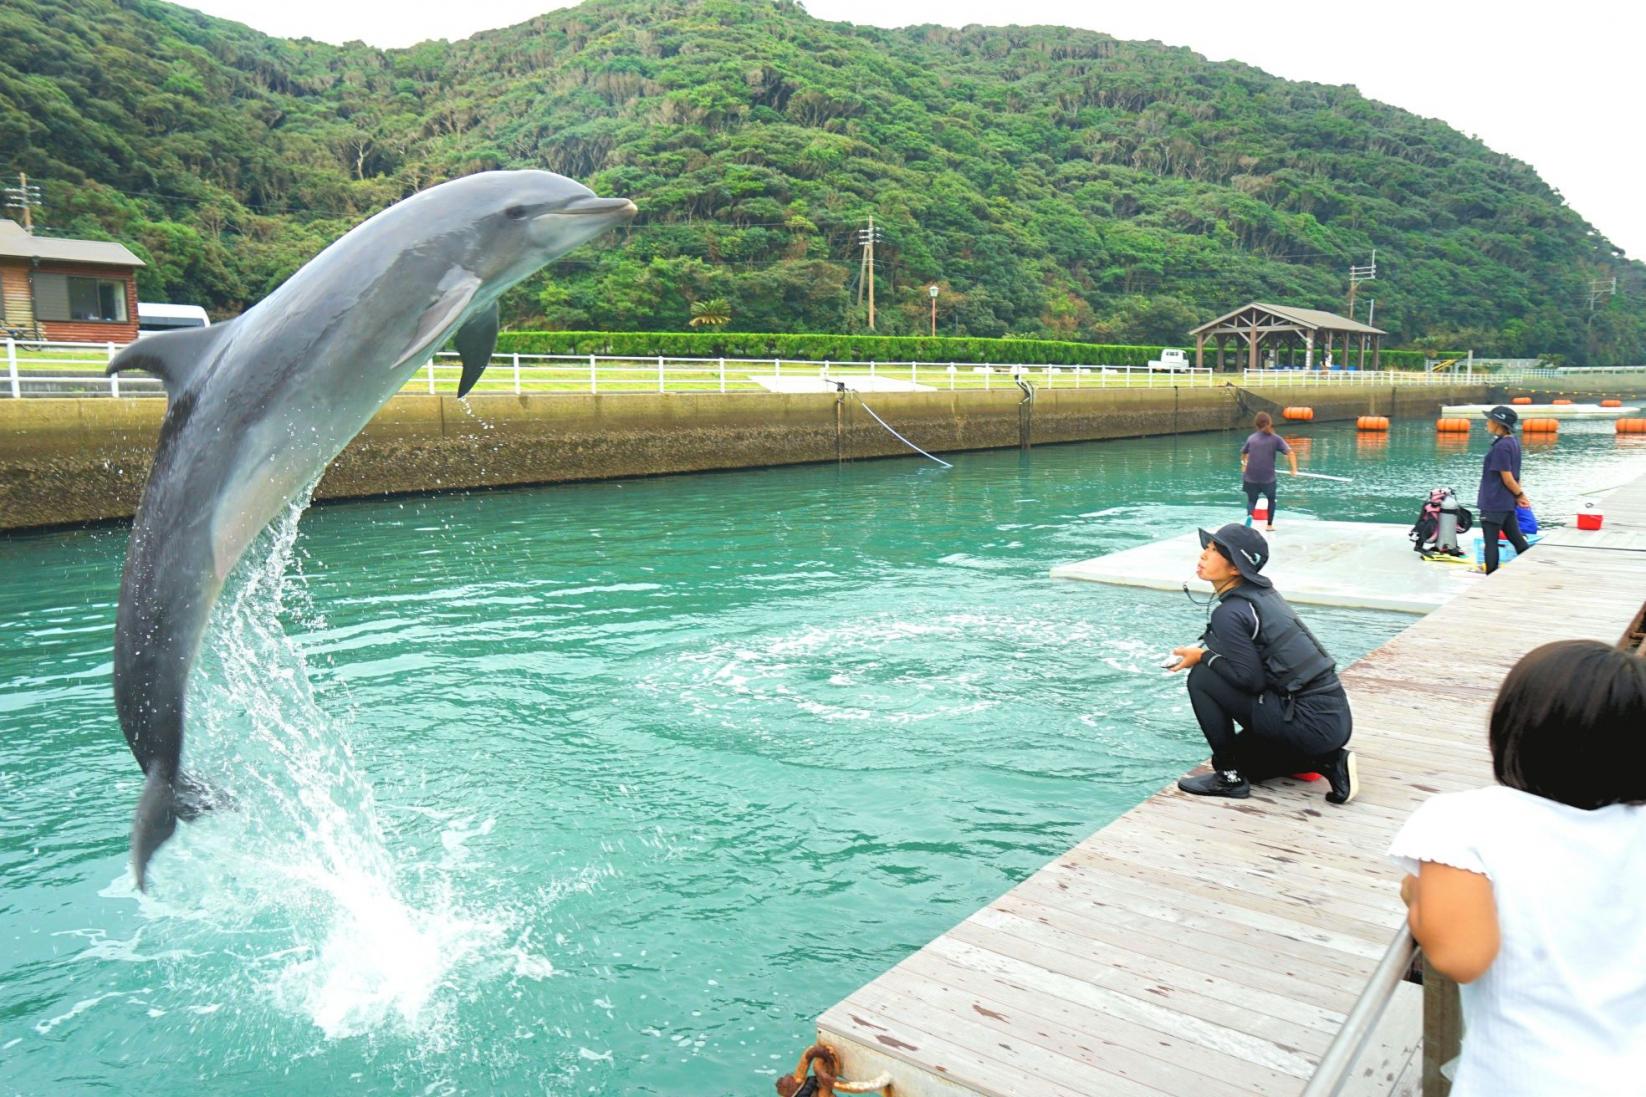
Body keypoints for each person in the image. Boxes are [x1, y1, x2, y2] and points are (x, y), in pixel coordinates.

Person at [1388, 640, 1646, 1096]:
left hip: (1524, 1079)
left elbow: (1459, 956)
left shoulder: (1464, 820)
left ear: (1514, 725)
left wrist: (1416, 892)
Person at [1168, 524, 1357, 804]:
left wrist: (1203, 657)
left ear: (1236, 569)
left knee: (1202, 678)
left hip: (1308, 723)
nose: (1203, 555)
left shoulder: (1230, 612)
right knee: (1250, 765)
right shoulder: (1262, 596)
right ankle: (1328, 761)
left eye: (1214, 551)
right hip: (1332, 721)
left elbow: (1250, 681)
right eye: (1206, 549)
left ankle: (1229, 778)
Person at [1477, 405, 1531, 574]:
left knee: (1491, 543)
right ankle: (1533, 568)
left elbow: (1507, 478)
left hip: (1494, 502)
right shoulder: (1513, 442)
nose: (1487, 423)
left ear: (1498, 423)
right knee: (1517, 540)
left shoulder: (1501, 447)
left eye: (1490, 420)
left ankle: (1490, 577)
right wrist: (1517, 495)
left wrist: (1520, 495)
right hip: (1506, 502)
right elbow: (1516, 476)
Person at [1240, 412, 1299, 532]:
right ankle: (1269, 525)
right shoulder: (1275, 439)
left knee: (1252, 500)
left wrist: (1244, 464)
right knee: (1271, 500)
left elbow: (1244, 452)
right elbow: (1290, 453)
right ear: (1270, 423)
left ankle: (1250, 516)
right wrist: (1293, 469)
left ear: (1256, 424)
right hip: (1268, 478)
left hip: (1251, 477)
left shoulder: (1251, 438)